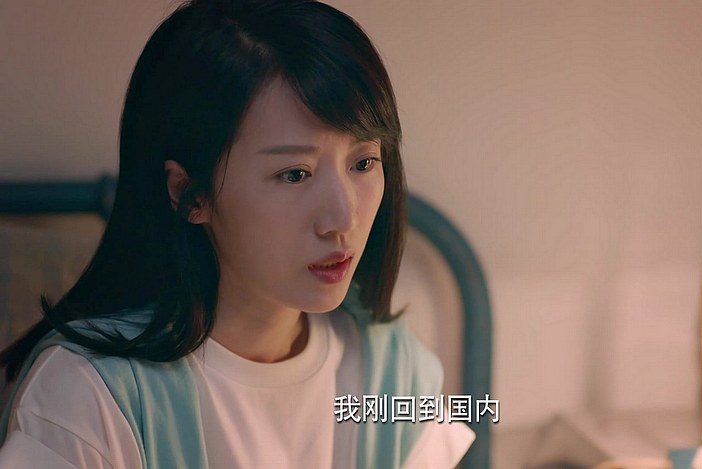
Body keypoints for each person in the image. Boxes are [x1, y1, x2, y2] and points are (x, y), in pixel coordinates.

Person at [0, 0, 475, 467]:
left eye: (364, 162)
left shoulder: (396, 373)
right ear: (191, 195)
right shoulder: (88, 396)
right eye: (294, 174)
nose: (342, 219)